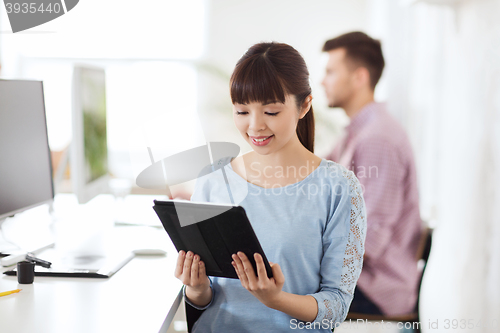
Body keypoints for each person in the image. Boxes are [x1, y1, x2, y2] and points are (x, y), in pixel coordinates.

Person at [174, 42, 367, 332]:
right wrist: (196, 288)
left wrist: (277, 299)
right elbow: (203, 300)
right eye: (241, 112)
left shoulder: (339, 188)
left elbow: (336, 306)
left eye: (271, 112)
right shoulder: (214, 180)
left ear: (304, 105)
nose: (255, 126)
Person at [321, 31, 422, 316]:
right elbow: (309, 181)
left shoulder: (377, 139)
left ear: (359, 78)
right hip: (357, 279)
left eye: (330, 71)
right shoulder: (355, 133)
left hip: (375, 287)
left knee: (276, 293)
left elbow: (369, 240)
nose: (322, 81)